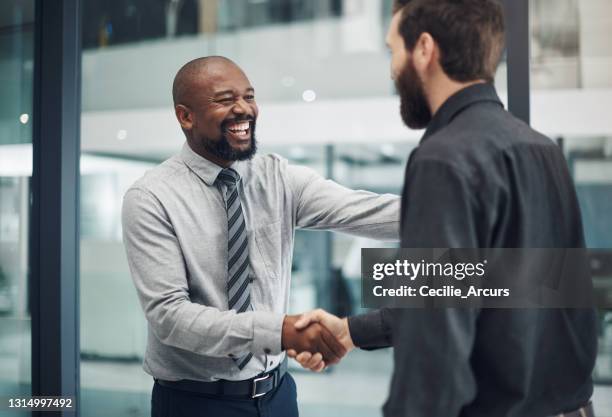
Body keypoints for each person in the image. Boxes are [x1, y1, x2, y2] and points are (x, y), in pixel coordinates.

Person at [288, 1, 598, 416]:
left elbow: (434, 351)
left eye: (392, 50)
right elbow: (486, 288)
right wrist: (350, 331)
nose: (392, 69)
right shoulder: (543, 150)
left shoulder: (444, 158)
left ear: (424, 49)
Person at [121, 56, 399, 417]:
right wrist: (280, 332)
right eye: (224, 100)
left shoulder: (277, 177)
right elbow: (170, 317)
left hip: (278, 395)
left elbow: (365, 211)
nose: (244, 109)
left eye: (249, 96)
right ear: (185, 116)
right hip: (197, 403)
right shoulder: (150, 198)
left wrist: (466, 207)